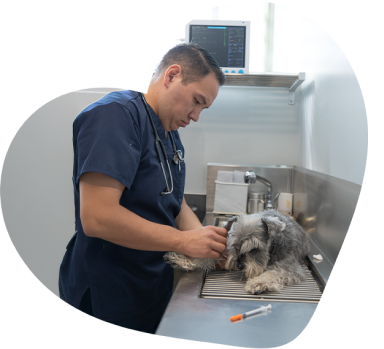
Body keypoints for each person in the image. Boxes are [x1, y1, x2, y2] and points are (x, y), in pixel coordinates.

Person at [58, 43, 227, 334]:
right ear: (172, 75)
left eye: (204, 108)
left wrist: (205, 246)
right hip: (108, 291)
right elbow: (98, 217)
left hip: (148, 286)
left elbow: (175, 201)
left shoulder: (169, 132)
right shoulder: (114, 116)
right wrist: (182, 242)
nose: (196, 115)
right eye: (196, 101)